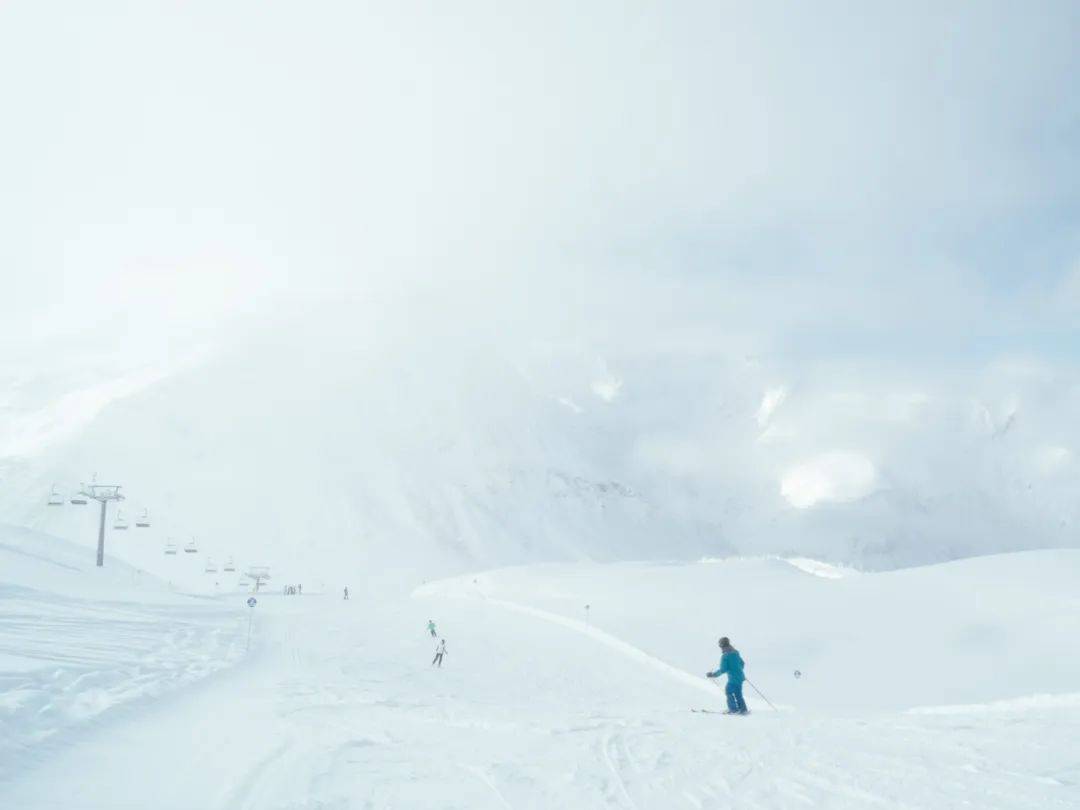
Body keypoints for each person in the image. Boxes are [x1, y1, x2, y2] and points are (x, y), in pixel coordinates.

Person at [706, 636, 748, 714]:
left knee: (729, 691)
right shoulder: (736, 652)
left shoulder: (725, 656)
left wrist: (713, 675)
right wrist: (738, 670)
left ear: (722, 645)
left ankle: (733, 710)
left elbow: (723, 669)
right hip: (740, 677)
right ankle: (743, 709)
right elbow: (742, 663)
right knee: (738, 693)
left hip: (733, 679)